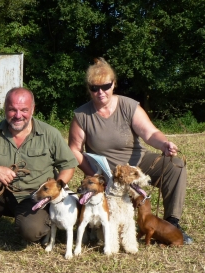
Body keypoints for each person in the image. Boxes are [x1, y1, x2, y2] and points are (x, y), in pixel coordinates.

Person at [68, 58, 193, 244]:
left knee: (176, 165)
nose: (100, 92)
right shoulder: (81, 115)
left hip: (137, 165)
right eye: (95, 88)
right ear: (89, 89)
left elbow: (149, 133)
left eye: (106, 86)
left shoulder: (128, 106)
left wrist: (164, 144)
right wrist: (94, 174)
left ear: (114, 84)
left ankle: (171, 222)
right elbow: (75, 150)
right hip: (107, 172)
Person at [0, 87, 78, 249]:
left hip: (35, 198)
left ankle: (46, 223)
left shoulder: (50, 134)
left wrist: (54, 192)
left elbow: (68, 165)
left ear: (33, 109)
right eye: (12, 110)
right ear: (5, 109)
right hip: (1, 194)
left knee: (31, 231)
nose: (18, 115)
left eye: (23, 110)